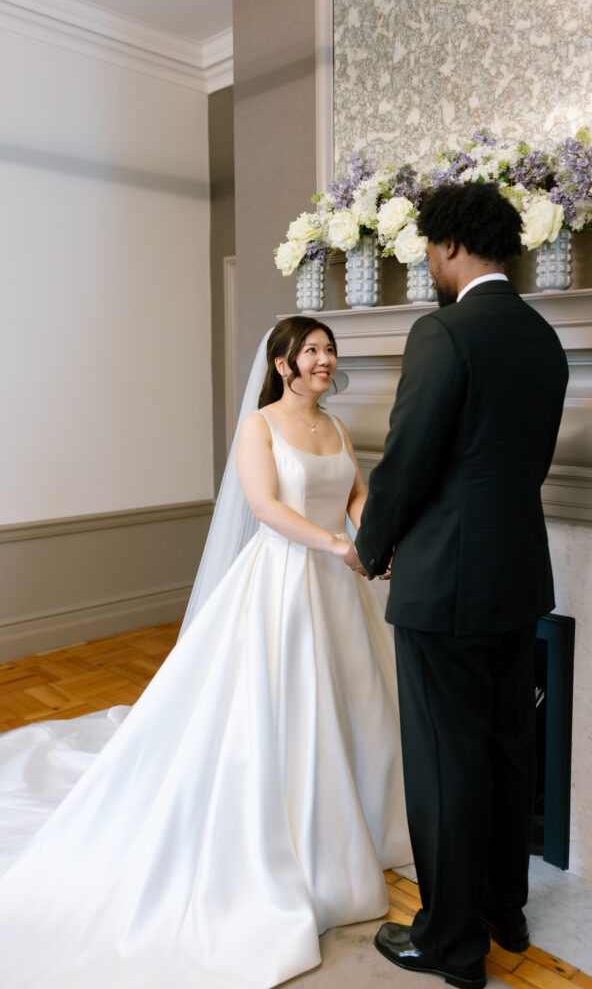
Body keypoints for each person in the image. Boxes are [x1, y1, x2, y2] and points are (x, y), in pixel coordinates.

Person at [0, 316, 411, 989]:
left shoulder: (334, 428)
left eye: (328, 350)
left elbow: (356, 493)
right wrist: (339, 547)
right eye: (311, 350)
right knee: (284, 712)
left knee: (357, 702)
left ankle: (365, 823)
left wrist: (369, 538)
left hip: (341, 589)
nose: (324, 360)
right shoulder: (260, 427)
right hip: (284, 585)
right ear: (281, 364)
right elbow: (266, 508)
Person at [344, 182, 569, 989]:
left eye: (427, 254)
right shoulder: (544, 337)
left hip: (445, 583)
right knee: (508, 751)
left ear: (445, 246)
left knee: (443, 765)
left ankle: (449, 944)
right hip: (516, 575)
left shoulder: (443, 330)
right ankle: (503, 911)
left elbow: (408, 461)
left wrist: (370, 547)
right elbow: (522, 465)